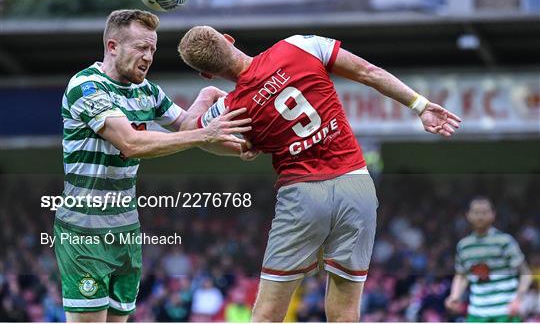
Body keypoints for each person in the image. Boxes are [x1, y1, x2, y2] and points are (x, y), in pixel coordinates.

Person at [178, 26, 462, 321]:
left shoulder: (230, 107)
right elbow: (368, 71)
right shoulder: (298, 45)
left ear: (207, 73)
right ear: (229, 39)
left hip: (302, 195)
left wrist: (208, 96)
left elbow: (191, 134)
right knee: (344, 313)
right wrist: (420, 105)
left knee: (267, 316)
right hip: (356, 187)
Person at [56, 10, 251, 322]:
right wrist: (205, 131)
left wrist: (243, 146)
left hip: (126, 230)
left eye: (152, 49)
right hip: (85, 230)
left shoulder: (147, 91)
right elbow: (131, 143)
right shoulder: (88, 87)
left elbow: (189, 127)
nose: (148, 57)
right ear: (112, 46)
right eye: (140, 48)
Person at [445, 197, 532, 322]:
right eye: (476, 212)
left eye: (484, 212)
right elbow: (462, 275)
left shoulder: (505, 241)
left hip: (505, 312)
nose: (480, 216)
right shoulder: (464, 246)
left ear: (493, 215)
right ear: (468, 215)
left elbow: (526, 273)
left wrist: (518, 300)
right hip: (477, 313)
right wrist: (454, 296)